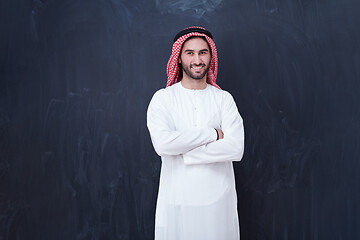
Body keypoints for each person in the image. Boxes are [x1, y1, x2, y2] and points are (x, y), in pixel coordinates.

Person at [147, 26, 245, 240]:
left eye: (203, 52)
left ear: (211, 56)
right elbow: (163, 145)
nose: (197, 59)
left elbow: (236, 148)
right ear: (179, 58)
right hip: (177, 203)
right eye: (189, 53)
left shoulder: (223, 99)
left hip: (218, 206)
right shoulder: (163, 99)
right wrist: (212, 135)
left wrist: (186, 153)